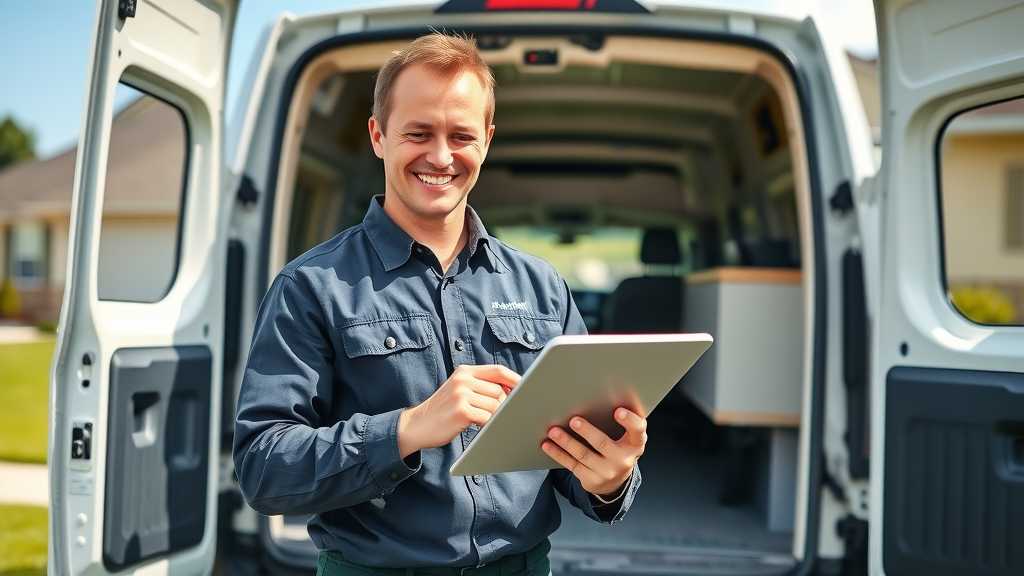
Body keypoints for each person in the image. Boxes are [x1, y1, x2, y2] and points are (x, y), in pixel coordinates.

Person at [233, 31, 647, 576]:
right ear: (379, 135)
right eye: (419, 132)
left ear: (488, 140)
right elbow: (264, 469)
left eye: (461, 135)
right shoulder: (310, 286)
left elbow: (570, 457)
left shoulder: (544, 286)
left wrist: (610, 477)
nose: (441, 156)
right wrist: (407, 429)